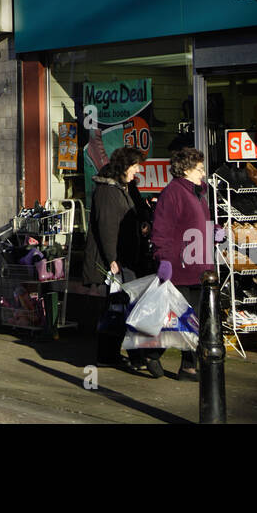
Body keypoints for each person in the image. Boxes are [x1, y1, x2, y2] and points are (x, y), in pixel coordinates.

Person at [150, 146, 220, 381]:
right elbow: (162, 230)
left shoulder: (197, 193)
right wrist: (163, 259)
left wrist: (215, 232)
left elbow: (198, 225)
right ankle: (152, 352)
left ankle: (187, 366)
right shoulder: (173, 193)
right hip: (180, 267)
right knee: (182, 321)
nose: (203, 173)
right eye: (200, 168)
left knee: (192, 321)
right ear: (187, 169)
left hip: (199, 267)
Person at [83, 145, 149, 368]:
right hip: (117, 259)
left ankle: (115, 354)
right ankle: (109, 354)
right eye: (135, 166)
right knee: (116, 308)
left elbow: (138, 211)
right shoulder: (109, 191)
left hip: (127, 256)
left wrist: (145, 222)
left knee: (121, 307)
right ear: (124, 166)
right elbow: (107, 227)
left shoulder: (126, 187)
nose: (137, 170)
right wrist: (112, 259)